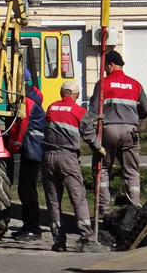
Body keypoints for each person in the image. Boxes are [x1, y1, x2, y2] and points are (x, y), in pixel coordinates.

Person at [41, 80, 108, 252]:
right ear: (77, 95)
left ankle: (58, 241)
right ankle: (87, 239)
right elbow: (88, 133)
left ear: (61, 93)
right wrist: (99, 147)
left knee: (53, 201)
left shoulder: (51, 107)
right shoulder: (79, 110)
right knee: (78, 197)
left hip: (48, 158)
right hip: (67, 158)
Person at [89, 50, 147, 213]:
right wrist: (134, 116)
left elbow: (94, 110)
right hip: (130, 131)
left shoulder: (102, 83)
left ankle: (103, 207)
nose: (103, 70)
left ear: (111, 65)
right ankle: (134, 206)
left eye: (105, 66)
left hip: (108, 130)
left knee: (102, 169)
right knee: (131, 170)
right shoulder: (136, 84)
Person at [12, 70, 47, 241]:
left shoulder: (28, 101)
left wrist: (13, 145)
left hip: (32, 149)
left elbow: (22, 126)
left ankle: (34, 228)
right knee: (24, 189)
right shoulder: (30, 98)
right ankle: (28, 226)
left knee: (28, 190)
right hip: (32, 148)